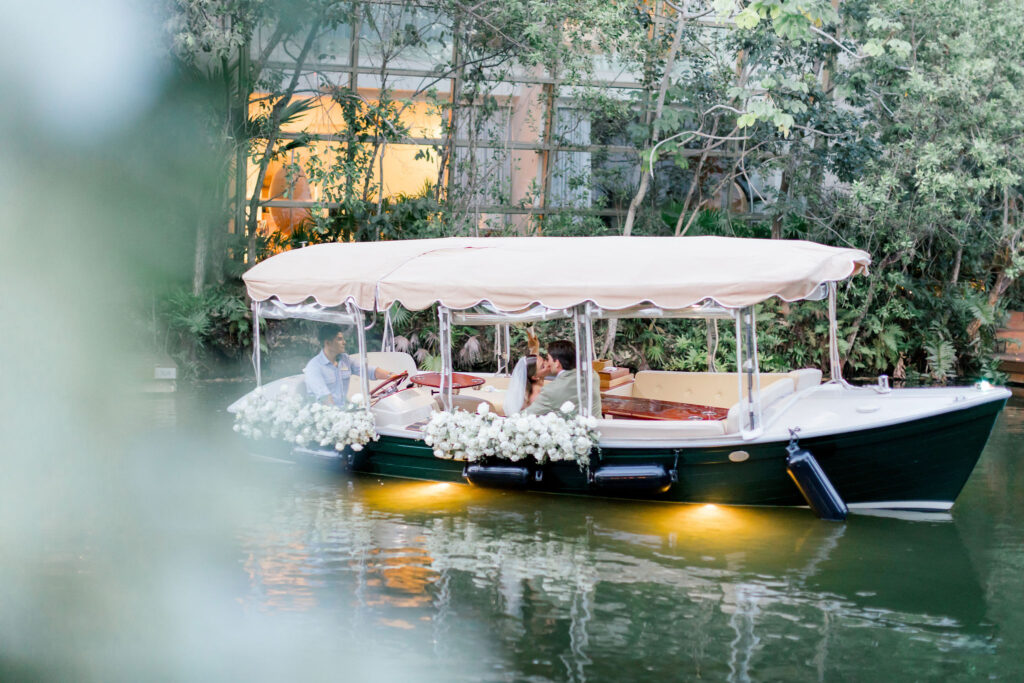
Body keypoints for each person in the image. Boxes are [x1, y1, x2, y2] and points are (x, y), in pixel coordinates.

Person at [304, 324, 391, 405]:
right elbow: (325, 400)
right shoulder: (314, 367)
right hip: (326, 416)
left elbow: (369, 371)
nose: (344, 342)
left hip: (344, 412)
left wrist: (393, 376)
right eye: (339, 339)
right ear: (327, 343)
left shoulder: (344, 359)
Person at [523, 340, 602, 417]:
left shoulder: (551, 390)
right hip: (600, 427)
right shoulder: (593, 375)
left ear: (557, 363)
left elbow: (527, 415)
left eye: (548, 359)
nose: (548, 363)